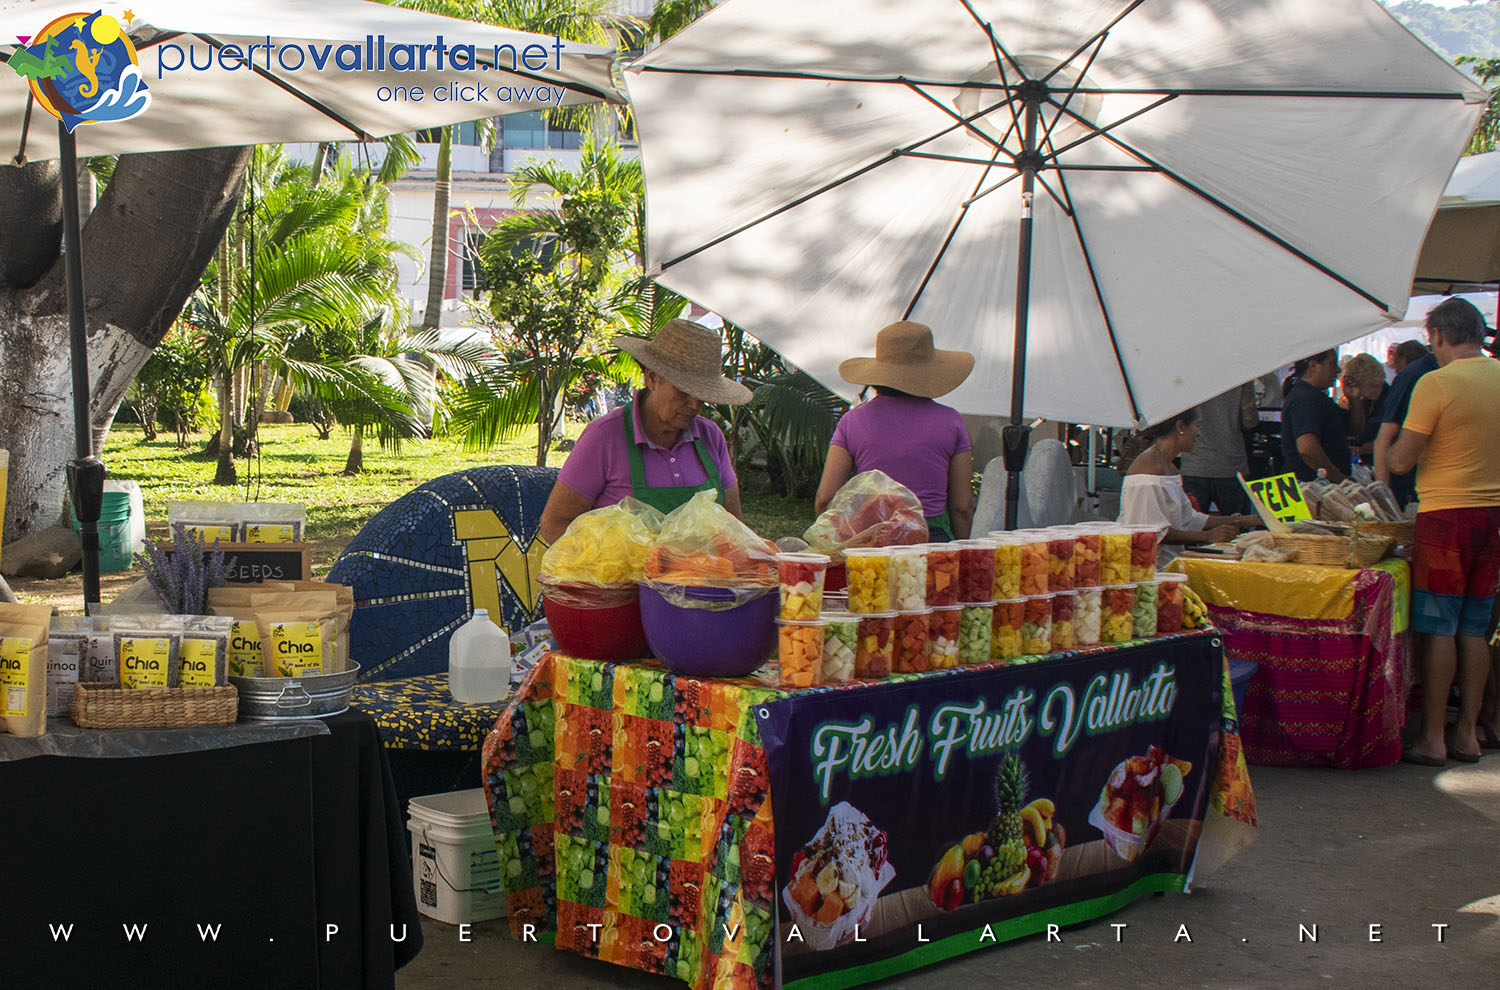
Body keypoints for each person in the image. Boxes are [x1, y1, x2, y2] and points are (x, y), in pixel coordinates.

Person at [1387, 297, 1500, 765]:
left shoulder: (1437, 382)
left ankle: (1432, 737)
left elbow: (1401, 460)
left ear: (1437, 336)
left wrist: (1388, 447)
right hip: (1494, 515)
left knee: (1439, 628)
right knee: (1476, 628)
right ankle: (1468, 734)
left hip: (1446, 515)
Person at [538, 320, 751, 544]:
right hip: (623, 578)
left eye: (703, 394)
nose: (694, 404)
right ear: (652, 378)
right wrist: (607, 566)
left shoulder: (711, 436)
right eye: (684, 391)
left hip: (704, 577)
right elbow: (554, 524)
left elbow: (734, 525)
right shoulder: (605, 437)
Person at [814, 321, 975, 541]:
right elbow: (962, 507)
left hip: (871, 541)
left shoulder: (851, 421)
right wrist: (961, 550)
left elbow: (825, 498)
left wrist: (839, 537)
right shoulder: (951, 421)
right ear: (931, 372)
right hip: (931, 539)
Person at [1119, 408, 1257, 563]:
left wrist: (1244, 520)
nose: (1198, 433)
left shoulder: (1168, 466)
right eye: (1197, 425)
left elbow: (1189, 518)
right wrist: (1207, 536)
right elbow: (1150, 532)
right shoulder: (1150, 469)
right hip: (1148, 568)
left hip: (1167, 563)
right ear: (1180, 427)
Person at [1374, 340, 1438, 508]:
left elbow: (1386, 437)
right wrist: (1385, 496)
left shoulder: (1412, 375)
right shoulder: (1416, 374)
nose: (1394, 370)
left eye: (1397, 364)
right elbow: (1385, 437)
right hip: (1412, 486)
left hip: (1416, 485)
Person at [1178, 383, 1257, 515]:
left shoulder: (1186, 373)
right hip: (1231, 464)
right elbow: (1249, 420)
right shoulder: (1241, 373)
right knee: (1238, 529)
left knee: (1192, 528)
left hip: (1194, 463)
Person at [1280, 349, 1351, 482]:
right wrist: (1336, 477)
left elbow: (1354, 428)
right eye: (1331, 364)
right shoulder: (1306, 398)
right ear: (1313, 366)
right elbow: (1307, 447)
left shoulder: (1317, 397)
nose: (1337, 370)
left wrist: (1354, 398)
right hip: (1311, 485)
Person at [1339, 353, 1389, 463]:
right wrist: (1353, 400)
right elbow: (1356, 430)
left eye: (1354, 383)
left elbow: (1391, 439)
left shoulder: (1390, 400)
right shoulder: (1366, 400)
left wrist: (1359, 450)